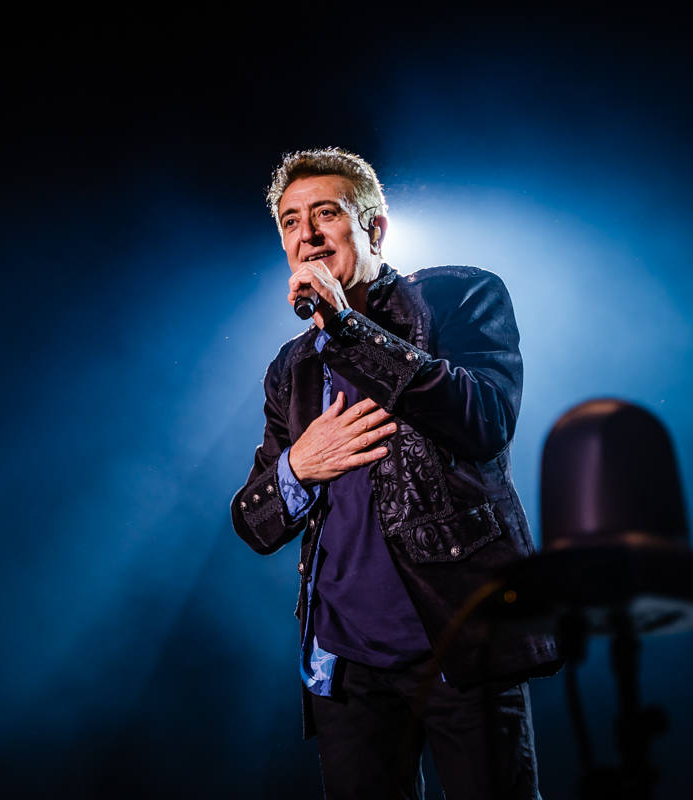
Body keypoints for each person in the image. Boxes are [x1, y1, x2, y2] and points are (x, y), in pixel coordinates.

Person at [230, 148, 560, 799]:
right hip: (346, 669)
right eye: (291, 222)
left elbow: (484, 419)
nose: (307, 235)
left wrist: (349, 328)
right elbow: (254, 520)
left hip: (460, 645)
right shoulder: (293, 367)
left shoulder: (460, 297)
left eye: (325, 213)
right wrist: (299, 466)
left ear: (375, 228)